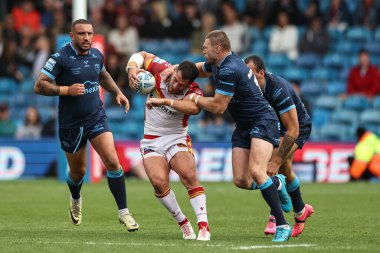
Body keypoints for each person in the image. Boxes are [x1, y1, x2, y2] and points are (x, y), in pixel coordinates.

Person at [162, 30, 292, 242]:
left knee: (257, 172)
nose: (203, 51)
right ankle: (276, 184)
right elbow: (200, 69)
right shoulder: (220, 63)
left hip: (262, 120)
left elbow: (218, 106)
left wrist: (194, 97)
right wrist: (175, 68)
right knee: (241, 180)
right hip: (244, 125)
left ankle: (282, 225)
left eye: (205, 48)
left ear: (218, 48)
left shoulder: (229, 69)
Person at [34, 19, 139, 231]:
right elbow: (39, 85)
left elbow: (102, 75)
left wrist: (117, 92)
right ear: (72, 36)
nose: (87, 38)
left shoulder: (96, 54)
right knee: (78, 172)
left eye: (90, 33)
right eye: (82, 34)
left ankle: (124, 213)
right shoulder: (60, 58)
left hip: (96, 117)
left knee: (112, 161)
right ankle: (75, 198)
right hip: (71, 124)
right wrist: (65, 90)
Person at [126, 51, 210, 241]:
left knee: (188, 175)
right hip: (152, 139)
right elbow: (142, 55)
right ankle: (183, 223)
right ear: (174, 70)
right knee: (158, 181)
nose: (176, 85)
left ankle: (204, 226)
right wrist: (132, 69)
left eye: (182, 84)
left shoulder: (194, 91)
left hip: (176, 137)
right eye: (176, 79)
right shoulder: (161, 69)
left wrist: (164, 100)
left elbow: (194, 109)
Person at [245, 55, 315, 237]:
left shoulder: (278, 88)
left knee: (275, 164)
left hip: (297, 127)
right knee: (285, 168)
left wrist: (276, 160)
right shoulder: (251, 89)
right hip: (276, 126)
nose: (248, 80)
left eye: (252, 75)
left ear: (261, 73)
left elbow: (293, 129)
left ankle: (274, 218)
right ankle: (300, 211)